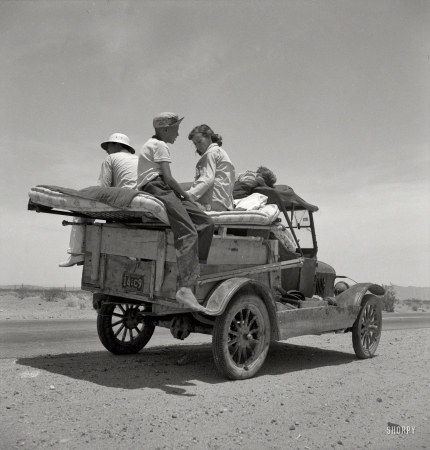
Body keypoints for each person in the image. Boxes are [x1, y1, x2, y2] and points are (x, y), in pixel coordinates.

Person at [136, 112, 214, 310]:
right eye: (176, 129)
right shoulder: (160, 145)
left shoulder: (152, 144)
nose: (178, 134)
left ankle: (195, 270)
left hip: (162, 186)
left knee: (206, 222)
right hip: (157, 186)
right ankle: (185, 288)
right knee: (188, 231)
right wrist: (187, 197)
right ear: (165, 129)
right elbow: (169, 179)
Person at [59, 133, 138, 267]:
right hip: (138, 200)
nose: (106, 150)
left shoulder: (111, 158)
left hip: (123, 202)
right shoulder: (139, 159)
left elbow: (103, 187)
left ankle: (76, 254)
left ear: (118, 145)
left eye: (108, 146)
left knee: (81, 210)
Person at [187, 124, 235, 211]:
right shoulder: (220, 152)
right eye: (195, 144)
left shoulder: (210, 153)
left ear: (209, 138)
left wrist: (189, 196)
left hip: (212, 202)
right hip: (223, 203)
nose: (198, 146)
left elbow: (207, 179)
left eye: (200, 141)